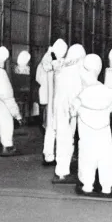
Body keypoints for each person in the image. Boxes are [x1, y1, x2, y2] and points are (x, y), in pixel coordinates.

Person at [72, 54, 112, 198]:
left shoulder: (83, 93)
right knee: (105, 158)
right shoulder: (107, 92)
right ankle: (107, 188)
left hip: (87, 133)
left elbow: (72, 109)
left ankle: (87, 186)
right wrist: (111, 109)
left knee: (87, 157)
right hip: (104, 130)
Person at [52, 43, 86, 183]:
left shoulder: (62, 68)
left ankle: (61, 171)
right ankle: (63, 172)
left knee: (62, 139)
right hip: (70, 109)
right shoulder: (77, 71)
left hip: (60, 108)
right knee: (68, 139)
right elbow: (78, 93)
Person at [42, 39, 68, 167]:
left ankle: (48, 155)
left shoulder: (50, 62)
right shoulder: (63, 63)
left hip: (52, 99)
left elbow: (46, 64)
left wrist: (50, 53)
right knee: (61, 129)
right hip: (60, 100)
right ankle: (60, 157)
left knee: (50, 128)